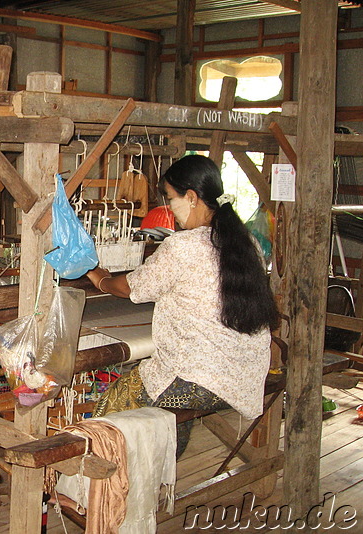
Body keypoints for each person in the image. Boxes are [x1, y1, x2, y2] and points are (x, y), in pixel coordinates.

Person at [85, 154, 279, 456]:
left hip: (197, 382)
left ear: (191, 197)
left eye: (171, 199)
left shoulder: (183, 246)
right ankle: (161, 473)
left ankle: (104, 482)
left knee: (116, 402)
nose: (169, 210)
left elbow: (131, 287)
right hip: (244, 378)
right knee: (168, 406)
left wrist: (99, 279)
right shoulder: (246, 243)